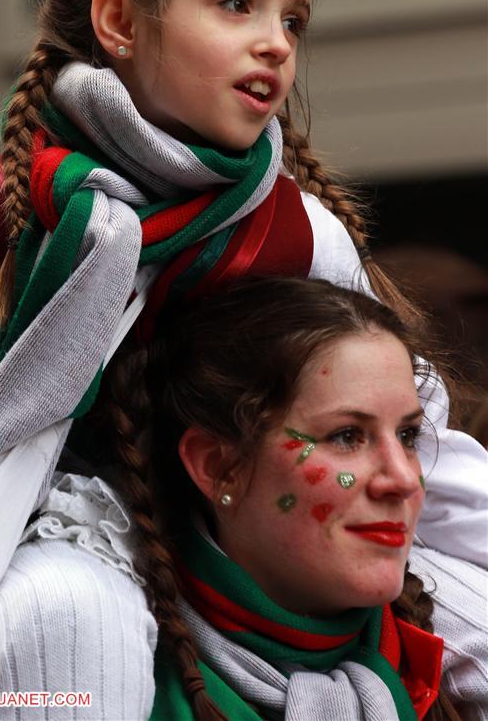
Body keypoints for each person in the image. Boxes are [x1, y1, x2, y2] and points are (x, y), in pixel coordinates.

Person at [0, 0, 485, 718]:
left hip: (242, 538)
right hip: (44, 537)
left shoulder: (304, 234)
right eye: (238, 4)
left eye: (292, 18)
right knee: (65, 624)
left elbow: (418, 437)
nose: (276, 42)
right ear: (120, 21)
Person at [87, 276, 486, 720]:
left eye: (408, 435)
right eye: (347, 436)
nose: (404, 480)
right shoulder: (99, 667)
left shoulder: (467, 646)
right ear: (218, 467)